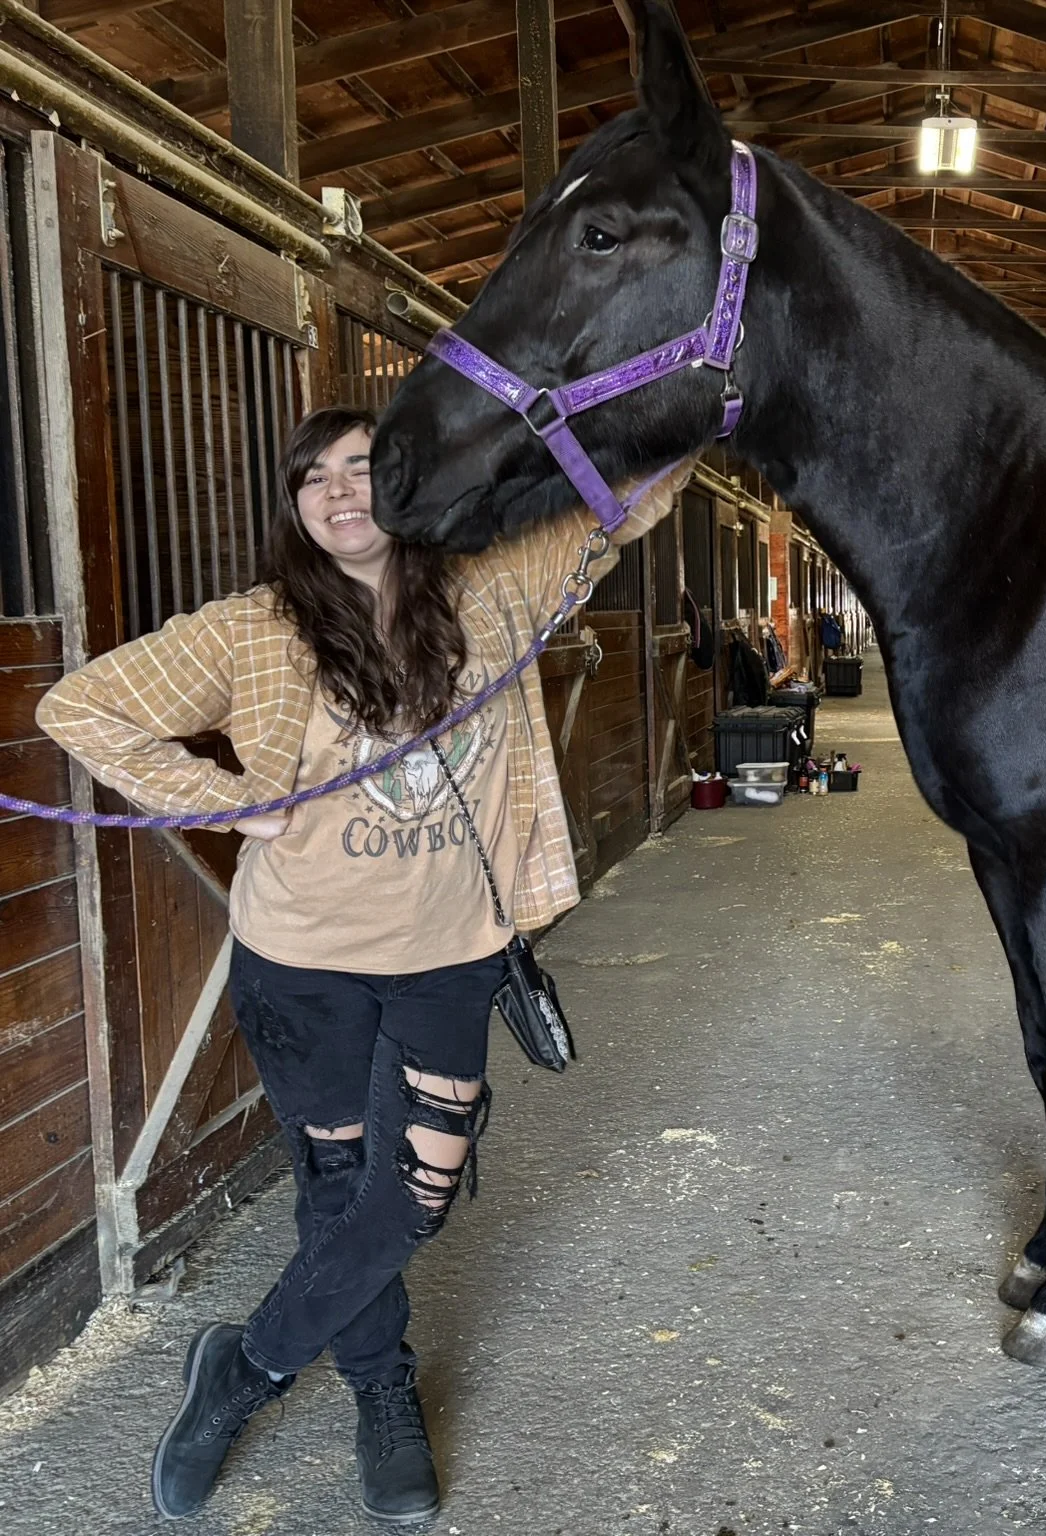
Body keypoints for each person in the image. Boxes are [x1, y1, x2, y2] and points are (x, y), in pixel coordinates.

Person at [37, 406, 688, 1523]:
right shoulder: (250, 630)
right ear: (293, 507)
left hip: (449, 956)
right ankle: (383, 1392)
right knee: (341, 1195)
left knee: (414, 1196)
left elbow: (628, 498)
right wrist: (224, 801)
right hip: (305, 965)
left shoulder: (494, 587)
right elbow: (79, 707)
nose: (340, 492)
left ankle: (243, 1369)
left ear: (406, 482)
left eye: (362, 468)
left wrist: (697, 364)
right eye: (312, 479)